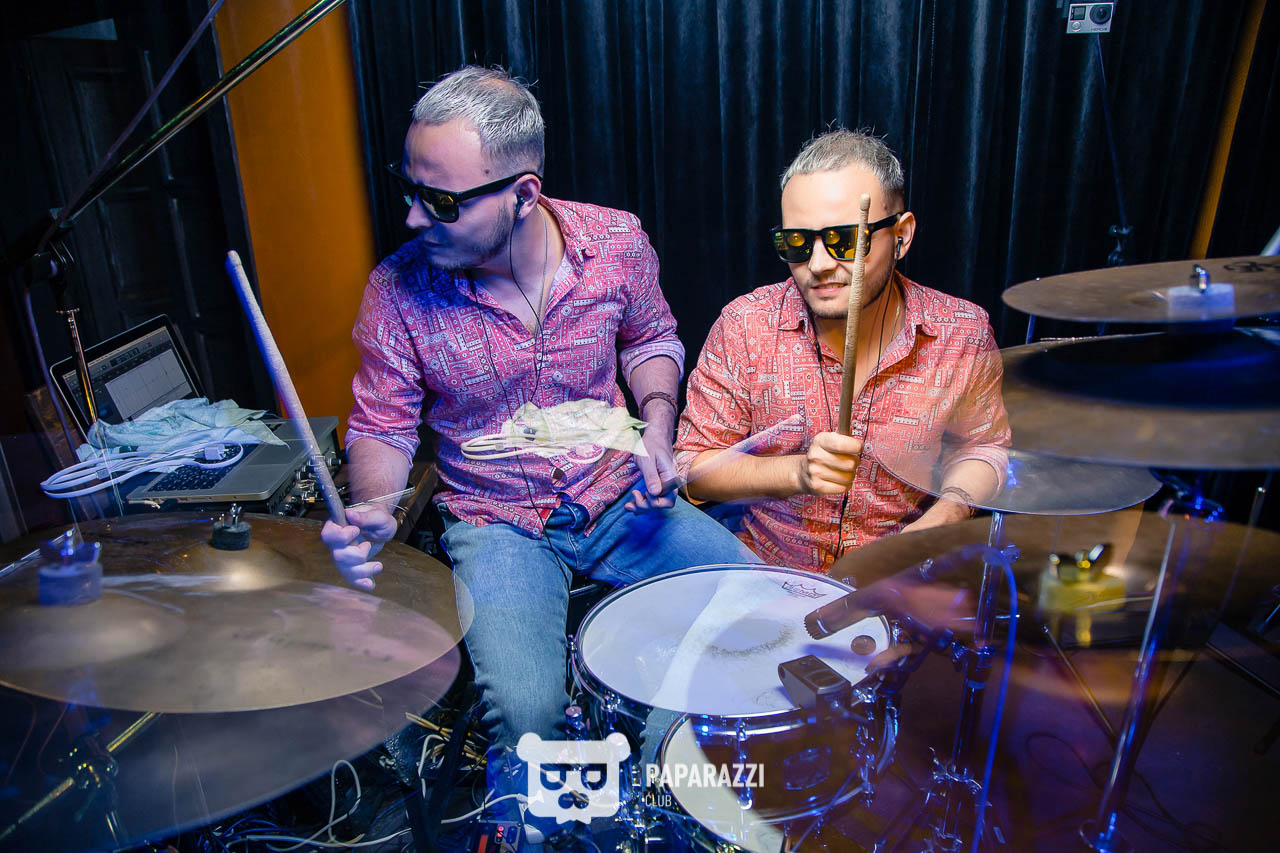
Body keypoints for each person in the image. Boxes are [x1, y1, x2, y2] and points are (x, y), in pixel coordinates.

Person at [320, 66, 757, 835]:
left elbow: (650, 338)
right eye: (408, 188)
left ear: (523, 194)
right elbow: (383, 424)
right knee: (526, 715)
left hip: (619, 499)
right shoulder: (396, 290)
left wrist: (658, 423)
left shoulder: (615, 242)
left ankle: (657, 778)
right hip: (497, 521)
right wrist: (375, 505)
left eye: (441, 201)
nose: (414, 217)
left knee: (755, 602)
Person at [674, 129, 1010, 574]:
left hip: (901, 577)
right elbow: (691, 468)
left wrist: (946, 517)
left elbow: (983, 448)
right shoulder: (746, 325)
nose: (817, 265)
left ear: (902, 235)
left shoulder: (961, 333)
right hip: (769, 573)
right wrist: (796, 473)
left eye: (844, 240)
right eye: (797, 242)